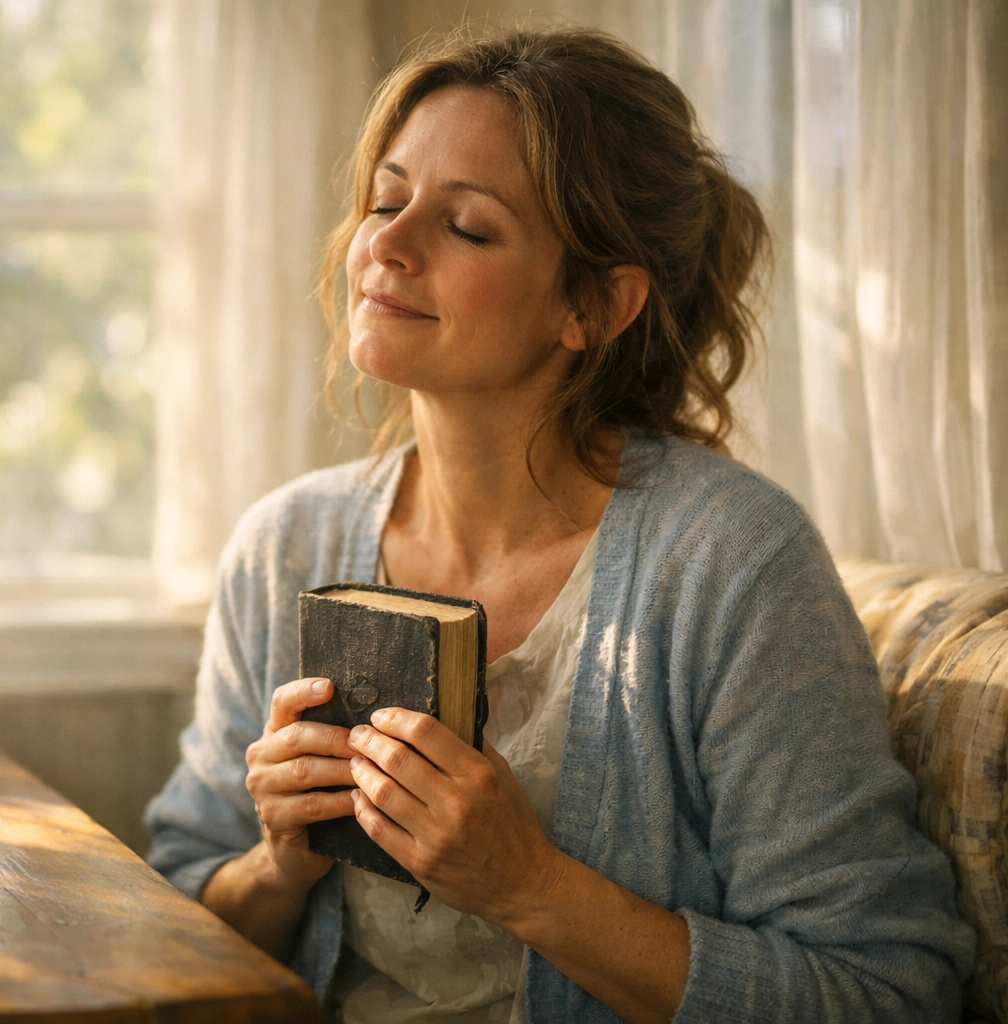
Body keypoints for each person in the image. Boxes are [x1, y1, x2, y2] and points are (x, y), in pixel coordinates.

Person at [143, 28, 974, 1024]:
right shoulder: (285, 547)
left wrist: (531, 884)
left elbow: (886, 989)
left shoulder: (733, 566)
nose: (387, 246)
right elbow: (170, 931)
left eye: (467, 227)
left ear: (594, 305)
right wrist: (277, 862)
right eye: (385, 198)